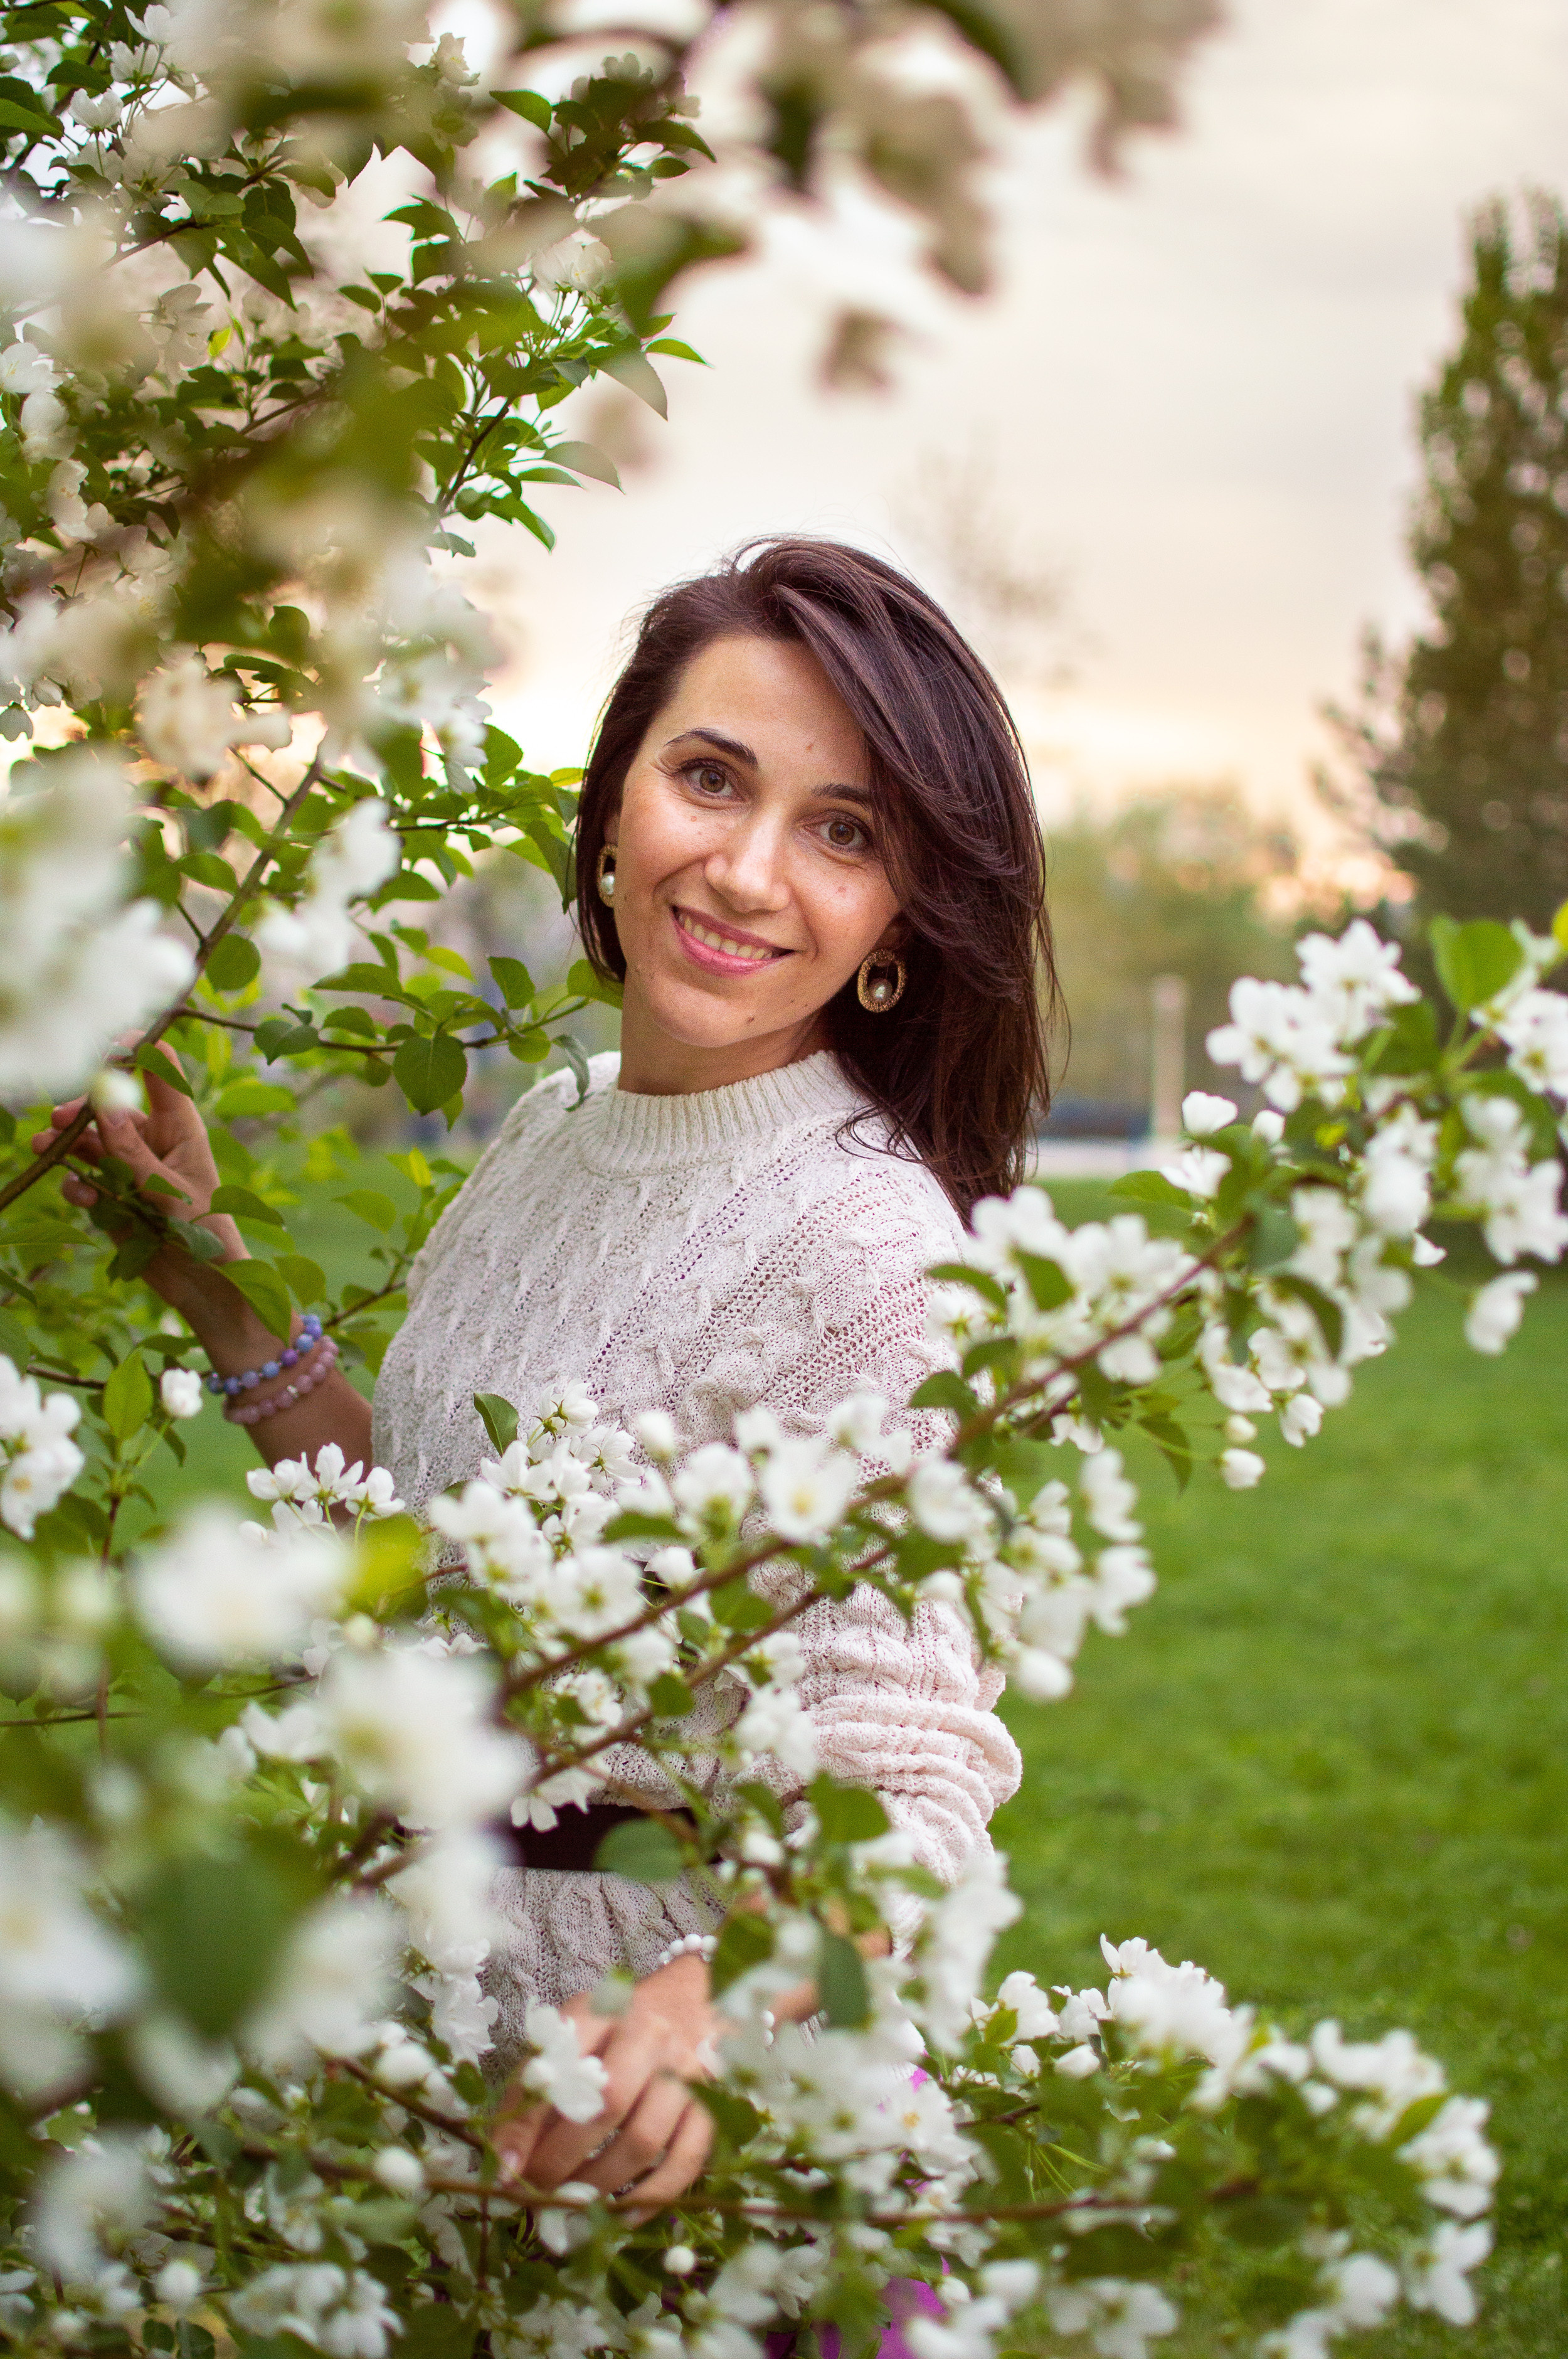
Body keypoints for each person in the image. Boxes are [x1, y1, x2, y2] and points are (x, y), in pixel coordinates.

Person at [33, 536, 1057, 2217]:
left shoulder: (868, 1248)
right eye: (708, 778)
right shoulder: (559, 1124)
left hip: (642, 2125)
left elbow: (913, 1780)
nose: (740, 870)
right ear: (612, 803)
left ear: (897, 914)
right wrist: (208, 1283)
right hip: (418, 2039)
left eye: (842, 831)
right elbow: (449, 1564)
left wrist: (694, 2019)